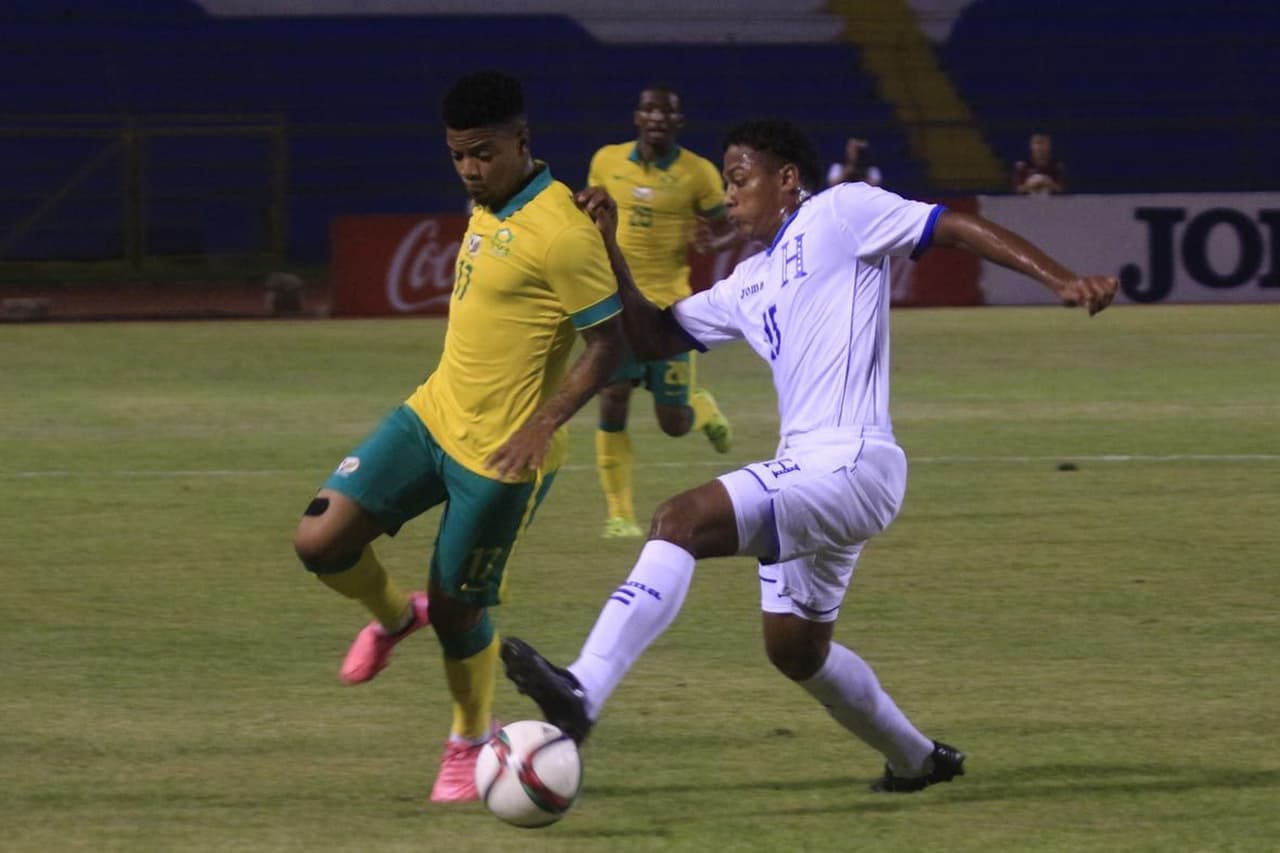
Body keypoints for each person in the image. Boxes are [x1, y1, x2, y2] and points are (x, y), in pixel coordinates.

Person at [501, 118, 1117, 793]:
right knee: (794, 647)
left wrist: (1059, 279)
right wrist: (610, 244)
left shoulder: (841, 211)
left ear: (787, 178)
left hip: (850, 460)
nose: (729, 196)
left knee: (679, 520)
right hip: (820, 473)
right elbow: (649, 337)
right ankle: (918, 760)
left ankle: (583, 691)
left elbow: (955, 226)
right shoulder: (748, 279)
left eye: (740, 179)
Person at [291, 70, 624, 804]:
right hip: (431, 413)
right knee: (318, 540)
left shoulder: (564, 231)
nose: (470, 169)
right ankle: (390, 614)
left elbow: (609, 345)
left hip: (504, 455)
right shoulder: (490, 201)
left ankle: (469, 736)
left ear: (521, 141)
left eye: (483, 153)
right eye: (458, 157)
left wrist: (542, 424)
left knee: (458, 609)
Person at [585, 85, 739, 539]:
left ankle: (700, 406)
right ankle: (619, 515)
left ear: (678, 122)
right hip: (613, 304)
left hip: (669, 310)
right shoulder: (606, 161)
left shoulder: (699, 173)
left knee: (673, 425)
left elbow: (731, 221)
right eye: (649, 109)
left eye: (666, 112)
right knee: (613, 398)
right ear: (637, 116)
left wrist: (718, 241)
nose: (656, 118)